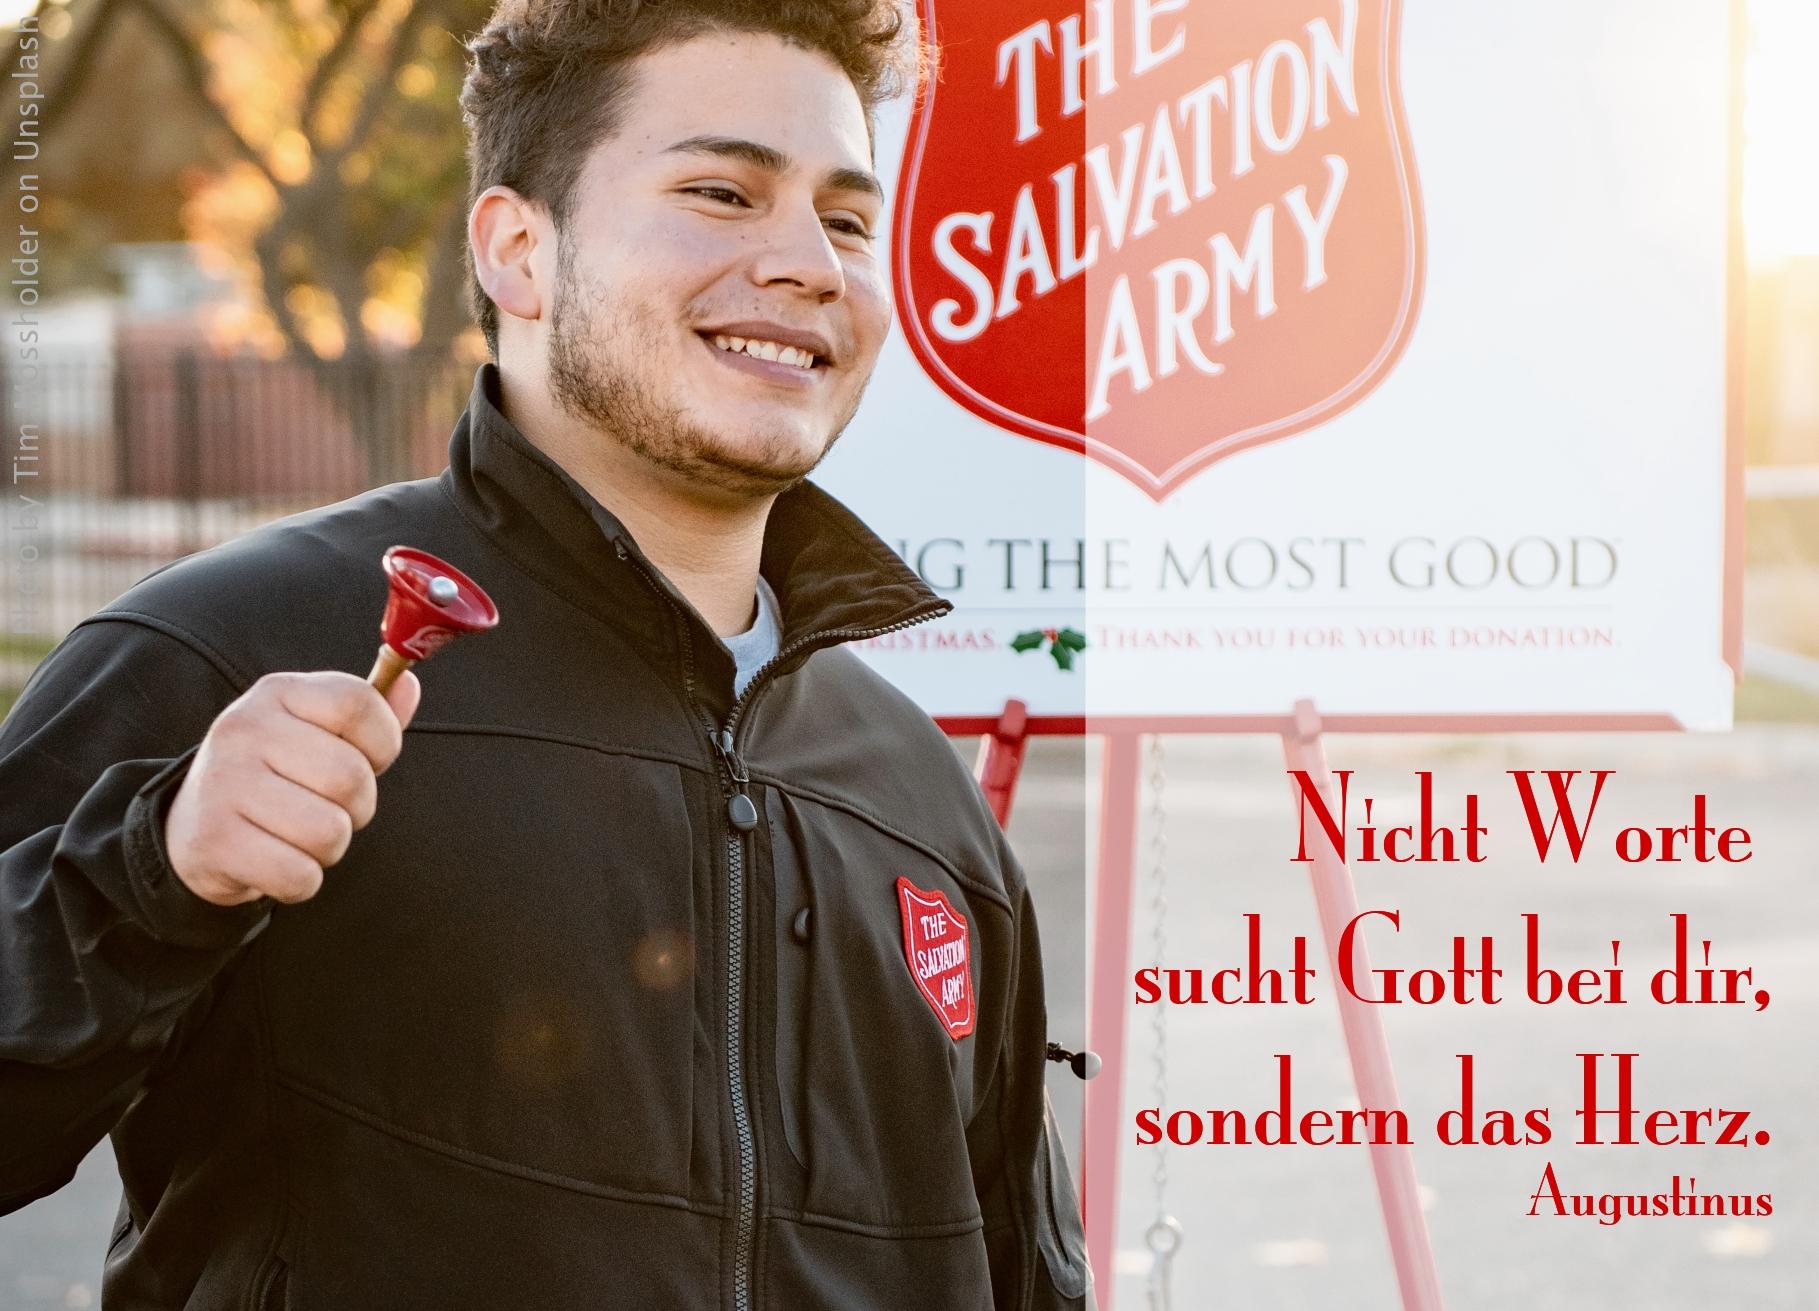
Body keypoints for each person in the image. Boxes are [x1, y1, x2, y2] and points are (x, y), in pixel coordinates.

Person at [0, 1, 1092, 1307]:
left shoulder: (918, 793)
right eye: (721, 191)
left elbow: (1023, 1272)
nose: (809, 261)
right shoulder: (228, 649)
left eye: (848, 219)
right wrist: (152, 873)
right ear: (519, 250)